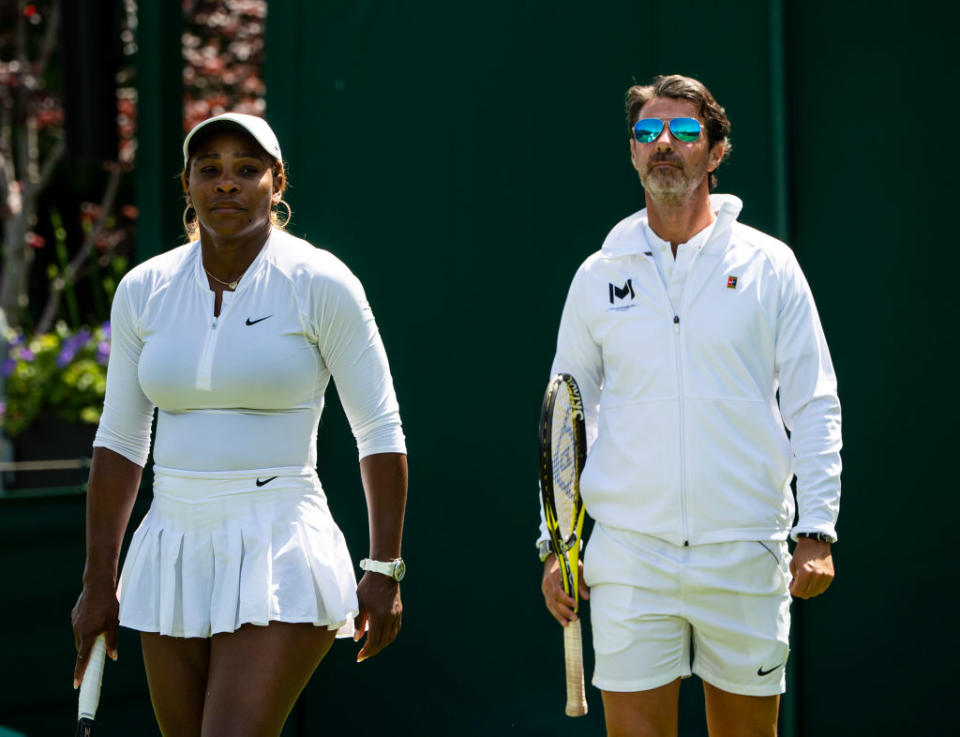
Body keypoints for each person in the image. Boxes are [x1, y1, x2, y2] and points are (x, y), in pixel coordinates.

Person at [71, 113, 409, 737]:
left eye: (247, 170)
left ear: (276, 183)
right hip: (171, 542)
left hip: (279, 540)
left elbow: (380, 431)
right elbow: (119, 442)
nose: (227, 184)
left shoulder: (322, 282)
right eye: (210, 171)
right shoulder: (143, 289)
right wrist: (99, 582)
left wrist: (384, 567)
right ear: (188, 184)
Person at [538, 74, 841, 737]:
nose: (664, 144)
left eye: (684, 131)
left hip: (744, 554)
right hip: (630, 558)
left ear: (715, 150)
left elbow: (814, 400)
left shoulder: (771, 266)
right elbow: (565, 416)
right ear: (632, 153)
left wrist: (815, 528)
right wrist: (555, 544)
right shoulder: (597, 277)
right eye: (648, 133)